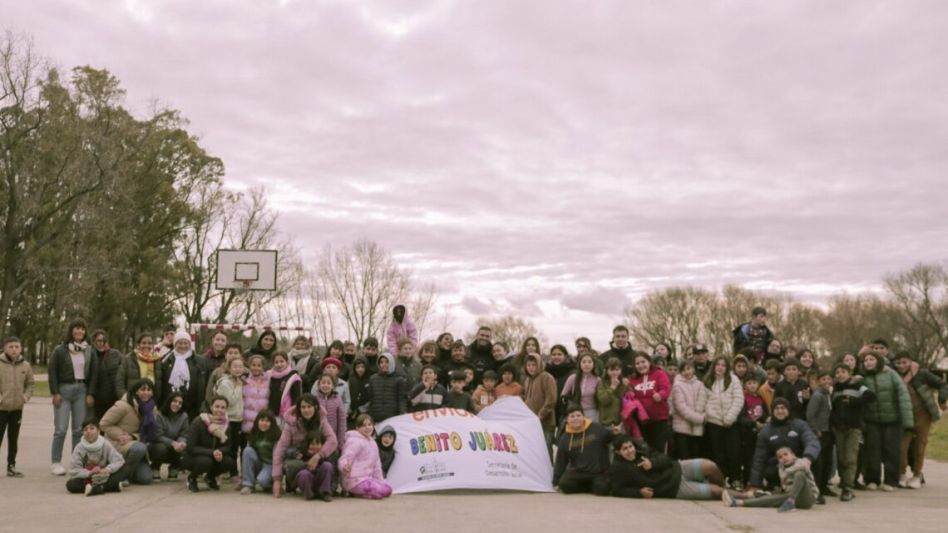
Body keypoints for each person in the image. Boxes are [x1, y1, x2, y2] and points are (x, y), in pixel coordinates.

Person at [610, 435, 743, 500]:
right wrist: (638, 492)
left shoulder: (642, 451)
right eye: (625, 449)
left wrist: (652, 463)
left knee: (710, 466)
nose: (630, 450)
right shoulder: (618, 468)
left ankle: (727, 488)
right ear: (618, 452)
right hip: (673, 488)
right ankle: (746, 496)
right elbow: (617, 489)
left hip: (678, 468)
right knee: (716, 491)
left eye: (630, 446)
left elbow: (666, 459)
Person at [859, 346, 913, 491]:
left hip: (893, 420)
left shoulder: (891, 374)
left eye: (872, 359)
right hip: (872, 421)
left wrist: (907, 421)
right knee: (873, 451)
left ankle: (891, 481)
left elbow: (903, 395)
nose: (868, 362)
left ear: (878, 361)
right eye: (866, 360)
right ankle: (872, 480)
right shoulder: (863, 377)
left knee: (891, 451)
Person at [49, 318, 98, 476]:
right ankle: (56, 462)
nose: (79, 331)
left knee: (78, 430)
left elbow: (94, 373)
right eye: (76, 328)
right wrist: (55, 392)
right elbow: (52, 371)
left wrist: (90, 393)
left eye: (82, 329)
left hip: (82, 390)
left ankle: (76, 462)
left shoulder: (89, 350)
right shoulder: (60, 350)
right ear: (71, 330)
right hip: (63, 390)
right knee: (60, 429)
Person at [894, 351, 948, 489]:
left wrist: (942, 400)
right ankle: (902, 474)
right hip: (904, 415)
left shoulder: (922, 374)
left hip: (922, 414)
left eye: (904, 362)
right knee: (901, 446)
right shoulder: (894, 375)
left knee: (920, 446)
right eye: (898, 363)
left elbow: (942, 384)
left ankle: (917, 476)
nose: (901, 366)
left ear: (910, 362)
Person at [271, 394, 337, 498]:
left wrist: (318, 455)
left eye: (309, 406)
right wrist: (277, 480)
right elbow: (280, 449)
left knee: (333, 452)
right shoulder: (291, 423)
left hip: (317, 458)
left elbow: (333, 440)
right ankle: (293, 483)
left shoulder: (322, 420)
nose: (306, 410)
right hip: (300, 460)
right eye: (303, 407)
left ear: (315, 407)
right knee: (288, 453)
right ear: (299, 409)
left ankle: (329, 488)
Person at [749, 398, 820, 490]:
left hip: (799, 462)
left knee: (816, 458)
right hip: (779, 466)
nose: (780, 411)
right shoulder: (765, 431)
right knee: (769, 471)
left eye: (783, 408)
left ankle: (813, 489)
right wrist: (755, 484)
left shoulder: (800, 425)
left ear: (788, 410)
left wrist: (808, 458)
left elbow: (812, 441)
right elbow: (759, 459)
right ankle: (779, 487)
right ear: (772, 411)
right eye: (777, 408)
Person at [99, 378, 160, 485]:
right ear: (136, 391)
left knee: (145, 478)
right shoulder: (123, 405)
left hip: (134, 445)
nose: (146, 392)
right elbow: (103, 424)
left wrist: (132, 436)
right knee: (140, 448)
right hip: (118, 444)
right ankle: (120, 475)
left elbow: (147, 433)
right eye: (143, 389)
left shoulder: (152, 409)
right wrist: (120, 435)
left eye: (149, 390)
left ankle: (127, 471)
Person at [723, 445, 819, 512]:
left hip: (807, 498)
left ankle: (790, 501)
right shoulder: (781, 469)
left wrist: (786, 473)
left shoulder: (801, 462)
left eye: (786, 454)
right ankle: (737, 502)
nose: (783, 458)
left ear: (793, 455)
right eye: (780, 457)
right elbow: (785, 485)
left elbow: (803, 467)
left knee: (799, 474)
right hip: (792, 496)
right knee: (771, 498)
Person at [830, 362, 875, 501]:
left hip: (853, 428)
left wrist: (854, 401)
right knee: (841, 457)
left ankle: (848, 487)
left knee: (850, 457)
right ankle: (844, 481)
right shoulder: (835, 389)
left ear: (849, 374)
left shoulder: (857, 386)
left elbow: (871, 396)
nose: (840, 375)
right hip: (838, 428)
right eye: (837, 372)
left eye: (843, 372)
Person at [702, 356, 744, 489]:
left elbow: (738, 399)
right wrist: (710, 416)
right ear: (713, 366)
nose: (720, 367)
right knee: (718, 454)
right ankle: (721, 479)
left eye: (723, 365)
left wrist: (730, 417)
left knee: (734, 451)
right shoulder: (707, 381)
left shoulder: (733, 379)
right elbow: (704, 401)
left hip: (730, 422)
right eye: (718, 364)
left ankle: (735, 479)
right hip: (714, 422)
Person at [553, 404, 613, 495]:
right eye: (572, 416)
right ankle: (589, 487)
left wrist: (615, 433)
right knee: (565, 485)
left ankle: (593, 486)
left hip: (597, 472)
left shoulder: (596, 428)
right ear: (567, 420)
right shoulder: (565, 438)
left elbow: (610, 438)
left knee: (602, 489)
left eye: (578, 415)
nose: (576, 418)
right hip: (577, 473)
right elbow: (560, 460)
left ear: (583, 417)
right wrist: (556, 482)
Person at [183, 395, 236, 492]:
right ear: (211, 407)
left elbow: (228, 447)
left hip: (213, 455)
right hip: (194, 457)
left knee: (229, 462)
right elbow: (191, 447)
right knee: (206, 462)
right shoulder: (199, 421)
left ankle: (210, 477)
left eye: (223, 407)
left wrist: (219, 452)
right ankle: (192, 478)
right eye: (217, 406)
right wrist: (212, 452)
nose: (219, 410)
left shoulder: (226, 425)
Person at [65, 418, 125, 496]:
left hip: (104, 476)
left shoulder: (105, 444)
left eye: (92, 428)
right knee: (70, 485)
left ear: (98, 431)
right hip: (87, 478)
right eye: (85, 429)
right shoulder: (79, 447)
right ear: (82, 433)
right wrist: (89, 473)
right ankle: (106, 487)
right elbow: (74, 470)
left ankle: (94, 488)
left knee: (123, 469)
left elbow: (119, 460)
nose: (88, 431)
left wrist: (107, 469)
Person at [1, 336, 33, 477]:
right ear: (5, 348)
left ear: (20, 348)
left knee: (13, 439)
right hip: (1, 409)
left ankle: (11, 466)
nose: (14, 349)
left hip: (17, 409)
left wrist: (25, 397)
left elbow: (30, 384)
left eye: (16, 347)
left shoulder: (26, 366)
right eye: (10, 347)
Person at [627, 352, 672, 453]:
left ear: (649, 362)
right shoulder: (633, 379)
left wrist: (660, 395)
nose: (641, 365)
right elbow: (629, 394)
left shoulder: (659, 373)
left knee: (658, 448)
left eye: (643, 362)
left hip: (659, 419)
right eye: (637, 363)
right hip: (641, 420)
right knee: (644, 449)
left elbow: (666, 388)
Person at [340, 414, 393, 499]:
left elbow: (377, 466)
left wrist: (381, 481)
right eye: (364, 425)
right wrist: (345, 466)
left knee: (388, 490)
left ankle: (362, 493)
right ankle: (356, 492)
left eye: (369, 424)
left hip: (368, 479)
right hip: (354, 480)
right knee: (380, 491)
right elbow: (345, 457)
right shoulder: (354, 441)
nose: (367, 427)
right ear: (357, 428)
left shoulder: (373, 443)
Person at [159, 330, 207, 420]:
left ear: (190, 344)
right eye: (180, 343)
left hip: (192, 405)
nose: (183, 346)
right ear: (175, 344)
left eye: (186, 343)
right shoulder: (166, 360)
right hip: (170, 404)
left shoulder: (199, 361)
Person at [215, 357, 246, 477]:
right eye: (235, 366)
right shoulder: (225, 383)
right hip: (229, 420)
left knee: (238, 446)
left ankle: (236, 471)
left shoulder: (241, 381)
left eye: (240, 367)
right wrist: (238, 386)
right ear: (229, 368)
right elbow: (231, 401)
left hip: (240, 419)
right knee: (230, 446)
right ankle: (230, 471)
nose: (238, 369)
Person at [806, 370, 835, 499]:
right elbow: (810, 415)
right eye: (823, 379)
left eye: (829, 379)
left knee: (828, 461)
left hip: (829, 431)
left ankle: (824, 486)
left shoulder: (828, 394)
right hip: (820, 432)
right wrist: (815, 429)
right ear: (818, 382)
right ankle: (817, 488)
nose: (827, 382)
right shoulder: (817, 395)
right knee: (819, 462)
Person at [671, 360, 707, 460]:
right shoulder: (677, 385)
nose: (687, 372)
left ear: (693, 369)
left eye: (688, 368)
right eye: (683, 370)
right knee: (685, 458)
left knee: (696, 457)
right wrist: (700, 419)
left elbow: (702, 402)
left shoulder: (700, 384)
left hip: (696, 428)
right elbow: (681, 408)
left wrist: (701, 417)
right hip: (682, 428)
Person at [115, 334, 164, 406]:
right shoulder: (129, 359)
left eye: (149, 343)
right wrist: (125, 397)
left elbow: (160, 384)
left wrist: (156, 401)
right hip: (131, 401)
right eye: (144, 343)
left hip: (151, 402)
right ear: (138, 344)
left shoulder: (157, 360)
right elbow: (119, 381)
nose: (147, 345)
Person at [523, 354, 557, 456]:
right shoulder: (527, 380)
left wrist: (540, 415)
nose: (531, 368)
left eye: (534, 365)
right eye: (529, 365)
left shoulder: (546, 377)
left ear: (539, 364)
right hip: (531, 422)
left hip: (546, 422)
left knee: (545, 449)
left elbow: (551, 399)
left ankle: (549, 467)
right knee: (533, 450)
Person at [737, 375, 768, 486]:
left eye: (754, 383)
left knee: (759, 458)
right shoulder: (743, 398)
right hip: (747, 433)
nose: (752, 386)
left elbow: (765, 413)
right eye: (749, 383)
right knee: (748, 459)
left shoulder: (760, 398)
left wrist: (766, 419)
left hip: (760, 433)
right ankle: (747, 481)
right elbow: (741, 417)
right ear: (744, 385)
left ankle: (759, 481)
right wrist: (754, 424)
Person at [240, 410, 280, 494]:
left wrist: (277, 479)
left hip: (271, 465)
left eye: (267, 421)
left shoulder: (277, 435)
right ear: (257, 421)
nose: (264, 423)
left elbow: (278, 457)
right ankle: (248, 484)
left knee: (263, 482)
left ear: (272, 423)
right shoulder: (254, 432)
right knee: (247, 450)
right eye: (262, 420)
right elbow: (248, 459)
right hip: (259, 462)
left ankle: (270, 484)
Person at [151, 391, 189, 481]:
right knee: (160, 448)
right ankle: (155, 467)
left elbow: (184, 434)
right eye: (174, 401)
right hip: (159, 444)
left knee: (185, 447)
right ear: (169, 401)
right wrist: (173, 443)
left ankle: (174, 467)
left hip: (175, 445)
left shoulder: (184, 416)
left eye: (180, 403)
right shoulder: (159, 415)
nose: (177, 404)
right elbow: (158, 436)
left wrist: (181, 443)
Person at [90, 330, 123, 419]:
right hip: (98, 399)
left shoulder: (115, 354)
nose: (102, 343)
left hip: (114, 397)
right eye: (99, 341)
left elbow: (123, 372)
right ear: (94, 342)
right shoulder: (90, 356)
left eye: (104, 340)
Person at [296, 430, 335, 501]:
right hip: (309, 482)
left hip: (320, 481)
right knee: (303, 473)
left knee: (327, 465)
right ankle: (309, 494)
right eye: (312, 444)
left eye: (317, 444)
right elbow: (297, 464)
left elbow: (330, 469)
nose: (315, 446)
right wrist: (307, 456)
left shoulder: (325, 454)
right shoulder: (303, 453)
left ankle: (325, 492)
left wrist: (318, 457)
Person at [562, 353, 601, 422]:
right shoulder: (572, 378)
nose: (587, 364)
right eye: (584, 362)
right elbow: (563, 395)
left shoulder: (597, 380)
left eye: (589, 362)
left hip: (592, 412)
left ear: (594, 364)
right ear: (579, 364)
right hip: (575, 412)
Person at [368, 353, 406, 423]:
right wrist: (370, 416)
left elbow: (401, 400)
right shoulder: (373, 378)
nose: (384, 364)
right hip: (376, 418)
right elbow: (371, 399)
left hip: (392, 417)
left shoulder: (399, 379)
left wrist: (402, 416)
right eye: (381, 362)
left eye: (386, 362)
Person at [546, 344, 575, 429]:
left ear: (565, 356)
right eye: (554, 354)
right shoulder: (547, 371)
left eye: (559, 354)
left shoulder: (572, 372)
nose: (556, 357)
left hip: (565, 411)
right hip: (549, 412)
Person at [268, 352, 303, 423]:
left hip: (286, 413)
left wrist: (293, 412)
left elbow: (296, 397)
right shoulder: (269, 375)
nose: (279, 364)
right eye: (276, 362)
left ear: (287, 362)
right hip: (271, 411)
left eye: (282, 361)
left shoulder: (293, 377)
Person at [315, 374, 347, 449]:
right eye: (323, 382)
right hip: (318, 437)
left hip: (333, 436)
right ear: (319, 385)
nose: (325, 385)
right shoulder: (315, 399)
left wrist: (340, 443)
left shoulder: (338, 400)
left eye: (328, 383)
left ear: (333, 386)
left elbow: (341, 421)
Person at [241, 354, 271, 438]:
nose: (256, 368)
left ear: (263, 367)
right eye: (253, 365)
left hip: (262, 420)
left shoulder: (268, 381)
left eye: (259, 365)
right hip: (247, 420)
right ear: (249, 366)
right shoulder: (245, 381)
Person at [596, 358, 627, 434]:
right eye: (612, 370)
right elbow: (604, 400)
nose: (615, 372)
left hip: (621, 423)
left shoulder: (624, 383)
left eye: (617, 369)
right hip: (606, 423)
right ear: (607, 370)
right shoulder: (602, 384)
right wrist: (612, 387)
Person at [347, 357, 372, 428]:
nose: (360, 369)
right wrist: (349, 409)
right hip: (351, 413)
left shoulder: (371, 380)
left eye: (362, 367)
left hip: (365, 413)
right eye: (358, 367)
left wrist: (360, 409)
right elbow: (346, 396)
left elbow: (372, 397)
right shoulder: (351, 380)